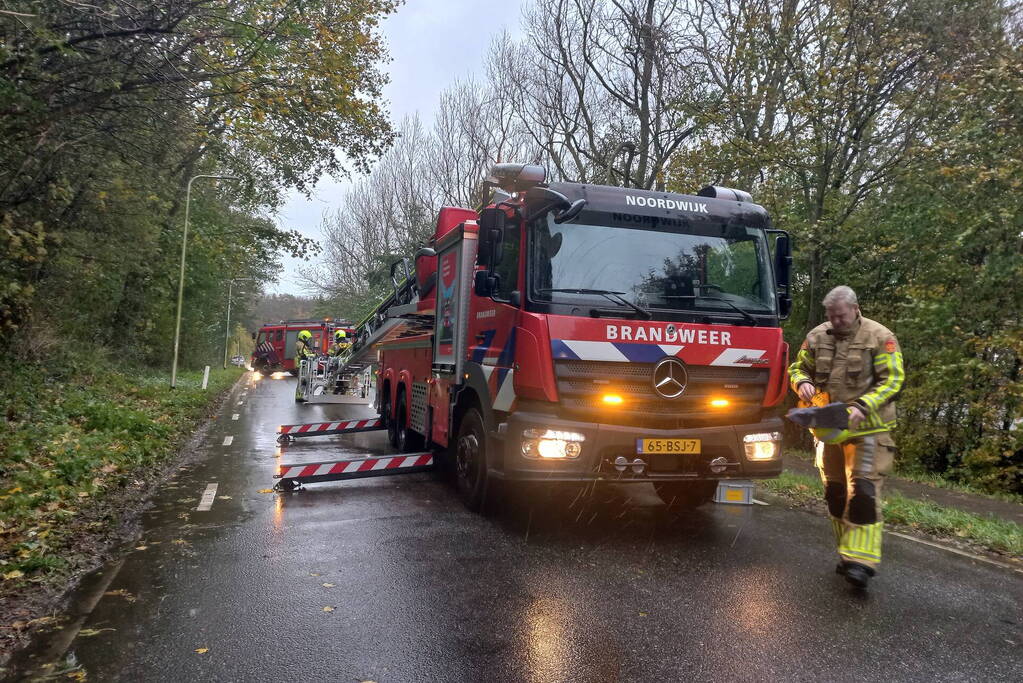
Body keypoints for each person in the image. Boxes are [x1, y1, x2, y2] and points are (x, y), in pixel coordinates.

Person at [788, 286, 905, 588]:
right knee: (836, 495)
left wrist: (863, 406)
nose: (835, 322)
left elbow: (892, 380)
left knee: (863, 492)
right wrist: (801, 383)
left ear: (855, 309)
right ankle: (846, 554)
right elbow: (798, 367)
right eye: (831, 316)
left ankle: (861, 563)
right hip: (830, 432)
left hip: (870, 431)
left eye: (840, 316)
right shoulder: (817, 336)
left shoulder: (880, 337)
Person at [294, 330, 316, 401]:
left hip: (304, 365)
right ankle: (299, 396)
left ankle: (302, 395)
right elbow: (304, 354)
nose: (308, 340)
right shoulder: (300, 344)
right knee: (302, 381)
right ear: (304, 337)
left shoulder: (302, 344)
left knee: (305, 381)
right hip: (301, 365)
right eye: (308, 338)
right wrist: (313, 355)